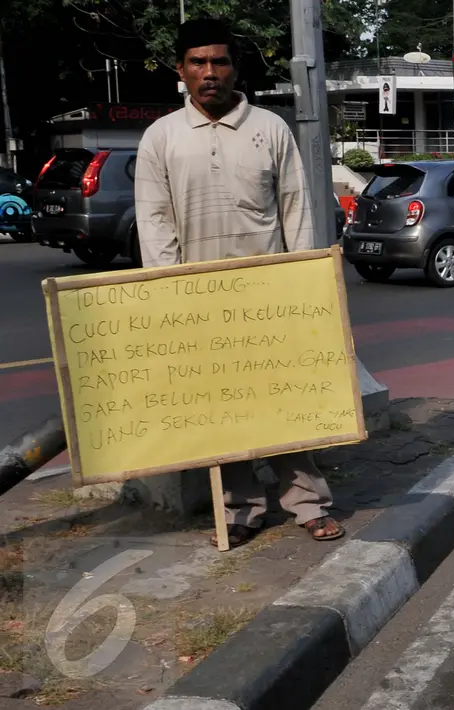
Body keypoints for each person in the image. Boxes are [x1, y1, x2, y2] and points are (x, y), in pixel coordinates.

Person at [135, 18, 345, 547]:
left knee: (284, 404)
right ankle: (240, 509)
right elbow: (156, 223)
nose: (210, 73)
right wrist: (168, 296)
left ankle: (307, 502)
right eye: (198, 62)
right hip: (198, 301)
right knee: (222, 411)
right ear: (181, 70)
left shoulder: (270, 129)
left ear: (235, 68)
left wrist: (304, 289)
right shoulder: (161, 137)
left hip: (270, 298)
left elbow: (297, 213)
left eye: (220, 61)